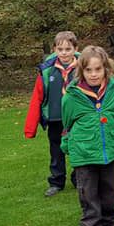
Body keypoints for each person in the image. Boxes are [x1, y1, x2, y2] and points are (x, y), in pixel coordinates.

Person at [60, 46, 114, 226]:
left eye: (98, 69)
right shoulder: (71, 96)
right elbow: (67, 123)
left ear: (105, 69)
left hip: (110, 150)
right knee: (88, 192)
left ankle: (108, 222)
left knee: (110, 189)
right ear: (82, 71)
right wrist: (68, 144)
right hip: (84, 151)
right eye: (89, 70)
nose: (94, 74)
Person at [24, 31, 81, 196]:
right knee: (56, 151)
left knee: (78, 147)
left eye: (68, 49)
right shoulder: (47, 71)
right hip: (55, 117)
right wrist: (30, 128)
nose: (64, 53)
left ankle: (79, 178)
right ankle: (57, 181)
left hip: (77, 118)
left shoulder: (82, 68)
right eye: (60, 49)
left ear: (75, 49)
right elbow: (38, 97)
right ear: (55, 49)